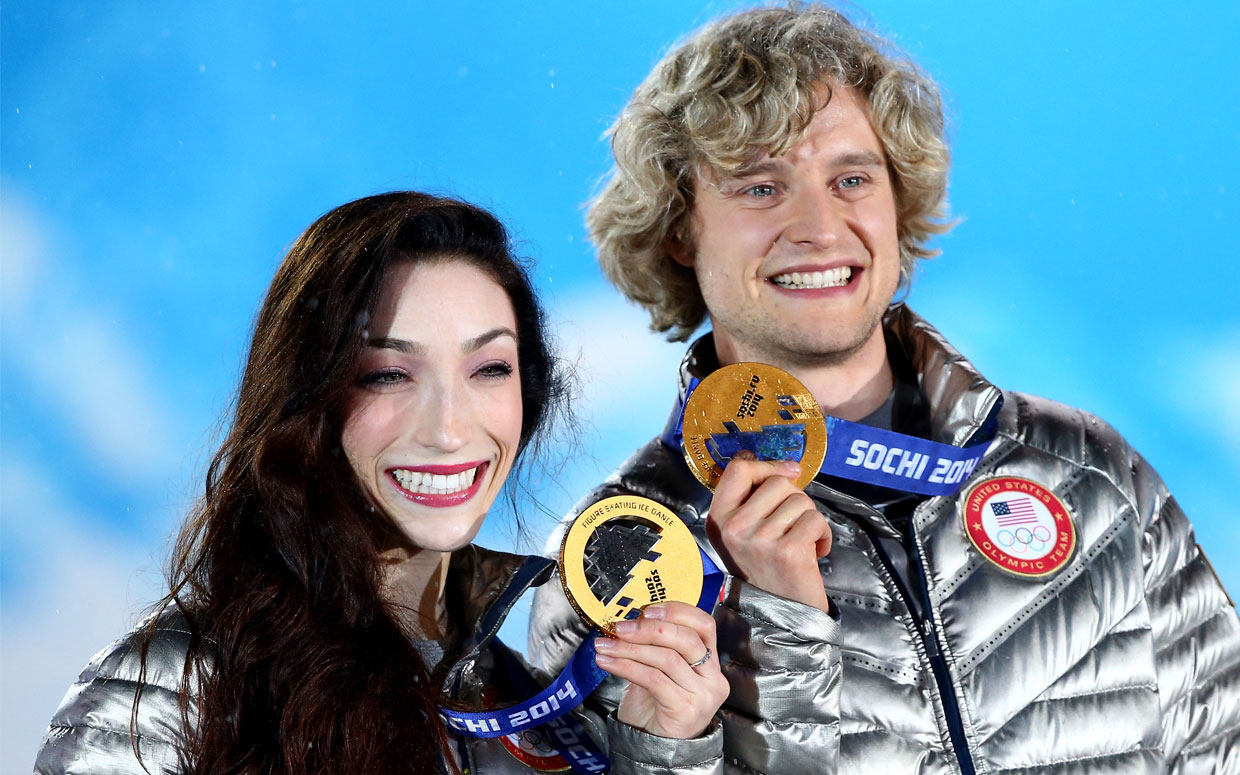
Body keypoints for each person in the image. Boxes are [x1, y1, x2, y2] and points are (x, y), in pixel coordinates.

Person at [528, 7, 1240, 774]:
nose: (820, 226)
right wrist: (782, 635)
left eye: (852, 179)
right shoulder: (618, 555)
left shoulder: (1087, 469)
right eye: (762, 186)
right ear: (679, 228)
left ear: (897, 204)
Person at [35, 192, 730, 775]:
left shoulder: (524, 710)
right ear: (308, 402)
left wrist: (661, 748)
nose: (449, 428)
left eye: (489, 368)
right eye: (389, 374)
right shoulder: (174, 687)